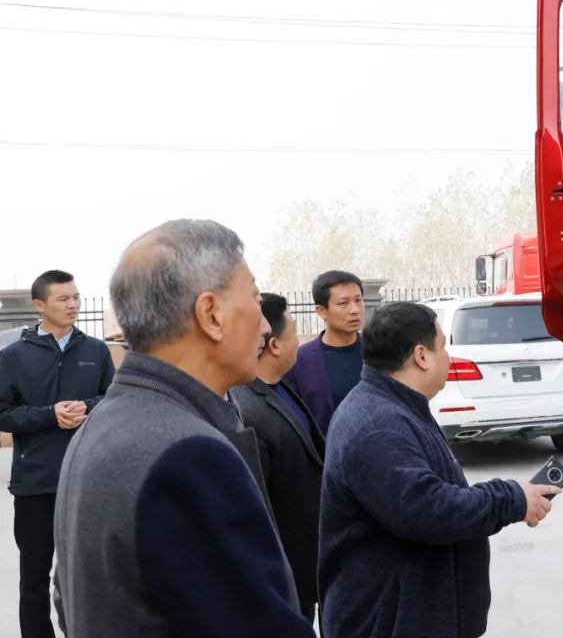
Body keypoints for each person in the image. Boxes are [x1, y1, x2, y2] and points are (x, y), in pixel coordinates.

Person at [53, 220, 314, 637]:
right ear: (210, 314)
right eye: (254, 298)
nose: (266, 326)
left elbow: (67, 603)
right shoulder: (188, 454)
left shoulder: (102, 424)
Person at [319, 302, 560, 638]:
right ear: (422, 355)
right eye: (443, 346)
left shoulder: (396, 406)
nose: (448, 356)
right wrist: (511, 499)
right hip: (390, 623)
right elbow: (427, 509)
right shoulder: (378, 424)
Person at [0, 270, 114, 638]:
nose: (73, 305)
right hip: (35, 484)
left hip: (87, 479)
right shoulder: (13, 357)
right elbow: (2, 412)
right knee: (33, 579)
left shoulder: (96, 351)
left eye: (77, 297)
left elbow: (115, 401)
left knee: (89, 574)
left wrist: (86, 407)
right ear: (39, 305)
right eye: (63, 299)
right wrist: (50, 415)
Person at [232, 293, 325, 623]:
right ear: (274, 345)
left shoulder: (280, 388)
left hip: (304, 565)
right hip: (282, 573)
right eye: (295, 333)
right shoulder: (247, 410)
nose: (300, 342)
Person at [284, 270, 365, 435]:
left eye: (358, 300)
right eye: (343, 303)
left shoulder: (381, 351)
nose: (355, 310)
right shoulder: (299, 361)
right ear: (321, 311)